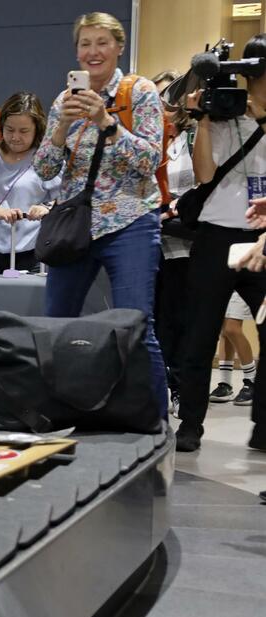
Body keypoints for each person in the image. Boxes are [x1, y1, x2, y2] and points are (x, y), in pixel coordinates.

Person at [33, 12, 168, 420]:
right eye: (85, 43)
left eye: (102, 42)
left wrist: (106, 121)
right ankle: (55, 414)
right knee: (56, 327)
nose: (93, 52)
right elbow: (42, 171)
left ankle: (156, 423)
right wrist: (60, 131)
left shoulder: (139, 91)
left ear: (119, 47)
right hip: (75, 227)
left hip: (130, 223)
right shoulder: (63, 101)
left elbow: (150, 160)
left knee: (135, 327)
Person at [175, 32, 266, 452]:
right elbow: (206, 175)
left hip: (261, 239)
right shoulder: (226, 113)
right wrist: (204, 121)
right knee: (200, 334)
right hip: (216, 234)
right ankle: (190, 425)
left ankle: (261, 426)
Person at [0, 91, 59, 275]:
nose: (15, 137)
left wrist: (45, 208)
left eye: (24, 131)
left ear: (37, 129)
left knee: (29, 302)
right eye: (9, 129)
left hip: (32, 248)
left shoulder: (46, 157)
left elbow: (62, 195)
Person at [153, 70, 195, 415]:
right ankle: (157, 385)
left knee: (180, 319)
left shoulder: (193, 137)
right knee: (153, 319)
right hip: (150, 242)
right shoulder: (148, 140)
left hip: (185, 244)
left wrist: (174, 209)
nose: (161, 103)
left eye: (167, 96)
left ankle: (181, 387)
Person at [209, 294, 256, 406]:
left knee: (231, 327)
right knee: (224, 330)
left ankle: (252, 381)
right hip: (223, 280)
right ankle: (226, 384)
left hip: (242, 280)